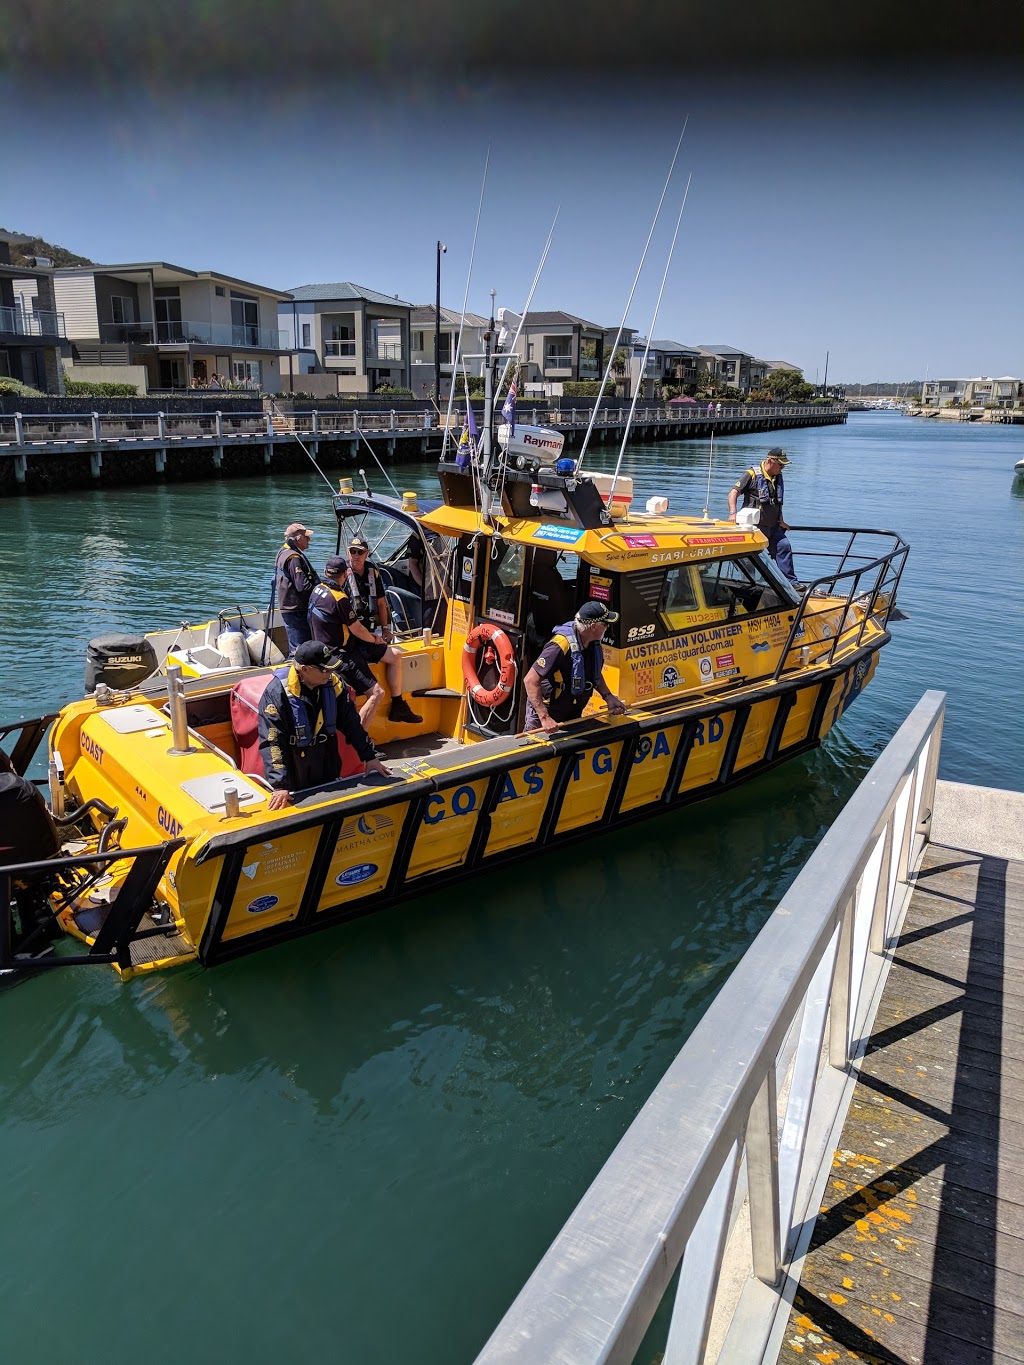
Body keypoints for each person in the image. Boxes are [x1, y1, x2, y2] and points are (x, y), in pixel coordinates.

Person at [257, 640, 391, 809]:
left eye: (331, 668)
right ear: (304, 669)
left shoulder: (334, 685)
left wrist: (369, 756)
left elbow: (352, 724)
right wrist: (280, 785)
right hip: (295, 763)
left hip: (327, 757)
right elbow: (272, 742)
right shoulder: (276, 694)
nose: (329, 673)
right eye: (324, 669)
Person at [343, 535, 422, 724]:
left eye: (359, 552)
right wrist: (372, 638)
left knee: (396, 656)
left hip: (369, 636)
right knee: (370, 688)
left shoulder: (372, 571)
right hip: (350, 641)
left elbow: (380, 601)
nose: (355, 555)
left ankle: (398, 705)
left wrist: (385, 628)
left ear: (366, 553)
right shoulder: (343, 575)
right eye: (352, 551)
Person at [524, 601, 628, 733]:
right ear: (593, 626)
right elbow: (530, 680)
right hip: (547, 716)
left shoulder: (592, 643)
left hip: (572, 713)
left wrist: (608, 697)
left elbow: (593, 673)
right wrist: (545, 718)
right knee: (536, 750)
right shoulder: (559, 646)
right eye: (605, 624)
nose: (607, 628)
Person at [308, 554, 387, 727]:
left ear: (325, 572)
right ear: (345, 574)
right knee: (377, 693)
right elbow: (357, 629)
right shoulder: (339, 598)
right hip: (340, 655)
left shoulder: (316, 590)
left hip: (320, 650)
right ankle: (360, 741)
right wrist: (374, 639)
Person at [727, 447, 798, 584]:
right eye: (780, 464)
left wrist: (781, 520)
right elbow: (733, 493)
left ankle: (792, 584)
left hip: (773, 527)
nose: (782, 468)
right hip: (754, 528)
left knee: (784, 546)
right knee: (751, 559)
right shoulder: (751, 474)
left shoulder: (777, 477)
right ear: (770, 461)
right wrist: (732, 513)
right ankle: (750, 584)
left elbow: (778, 501)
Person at [275, 522, 318, 655]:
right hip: (296, 610)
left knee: (298, 646)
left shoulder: (283, 552)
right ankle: (299, 673)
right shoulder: (293, 558)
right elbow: (302, 586)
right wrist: (320, 593)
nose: (309, 540)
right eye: (307, 537)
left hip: (289, 607)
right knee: (301, 649)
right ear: (299, 539)